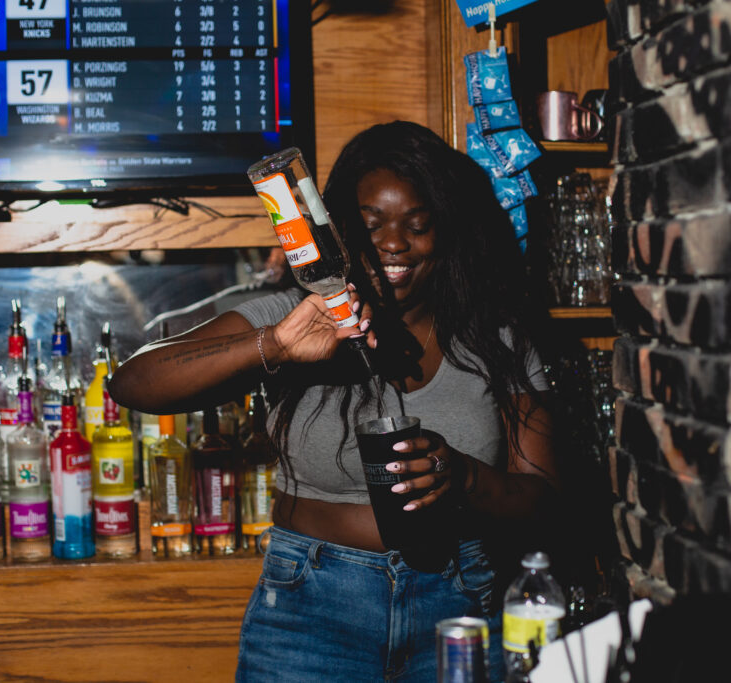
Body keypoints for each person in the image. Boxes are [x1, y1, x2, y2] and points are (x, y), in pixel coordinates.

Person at [108, 121, 560, 682]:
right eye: (371, 226)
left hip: (458, 603)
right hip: (312, 611)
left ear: (445, 232)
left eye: (417, 226)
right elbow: (133, 382)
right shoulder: (290, 317)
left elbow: (543, 499)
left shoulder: (496, 339)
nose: (394, 244)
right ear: (337, 230)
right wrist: (275, 347)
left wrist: (463, 477)